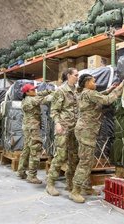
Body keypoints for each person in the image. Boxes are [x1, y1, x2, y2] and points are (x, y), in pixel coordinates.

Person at [69, 74, 124, 203]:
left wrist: (109, 89)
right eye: (94, 82)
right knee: (85, 162)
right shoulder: (90, 93)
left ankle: (86, 187)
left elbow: (99, 96)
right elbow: (107, 100)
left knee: (88, 160)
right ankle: (75, 191)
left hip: (85, 130)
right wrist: (119, 89)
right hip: (86, 131)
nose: (96, 84)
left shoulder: (83, 93)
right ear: (87, 82)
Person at [46, 68, 79, 196]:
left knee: (73, 156)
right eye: (76, 75)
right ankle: (50, 184)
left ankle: (70, 184)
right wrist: (58, 123)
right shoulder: (60, 91)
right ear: (69, 76)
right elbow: (54, 111)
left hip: (74, 128)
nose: (77, 77)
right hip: (63, 127)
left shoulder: (76, 90)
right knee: (60, 156)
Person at [17, 84, 52, 184]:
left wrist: (48, 91)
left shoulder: (27, 98)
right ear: (27, 92)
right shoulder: (31, 100)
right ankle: (32, 175)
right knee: (35, 149)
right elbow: (44, 100)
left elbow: (40, 94)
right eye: (32, 90)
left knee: (27, 148)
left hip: (28, 126)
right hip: (33, 127)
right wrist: (57, 94)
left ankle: (21, 171)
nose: (35, 91)